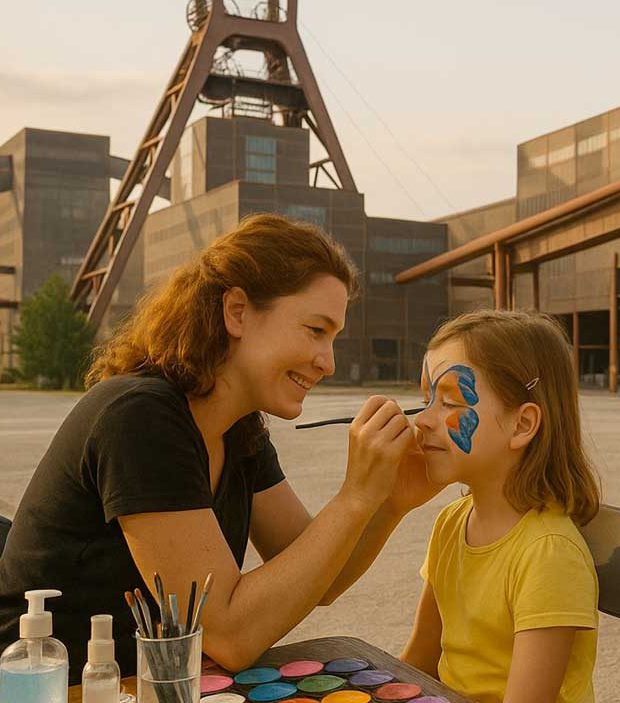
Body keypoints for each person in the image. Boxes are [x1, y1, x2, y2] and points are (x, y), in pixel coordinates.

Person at [0, 214, 441, 679]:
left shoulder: (239, 428)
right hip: (49, 686)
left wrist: (389, 503)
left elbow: (318, 577)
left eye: (334, 338)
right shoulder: (140, 416)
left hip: (148, 683)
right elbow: (230, 636)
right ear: (237, 312)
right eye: (316, 330)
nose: (327, 362)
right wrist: (355, 496)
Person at [400, 310, 601, 703]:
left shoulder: (548, 555)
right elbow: (416, 665)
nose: (422, 420)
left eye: (449, 402)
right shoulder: (451, 523)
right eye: (427, 400)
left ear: (522, 425)